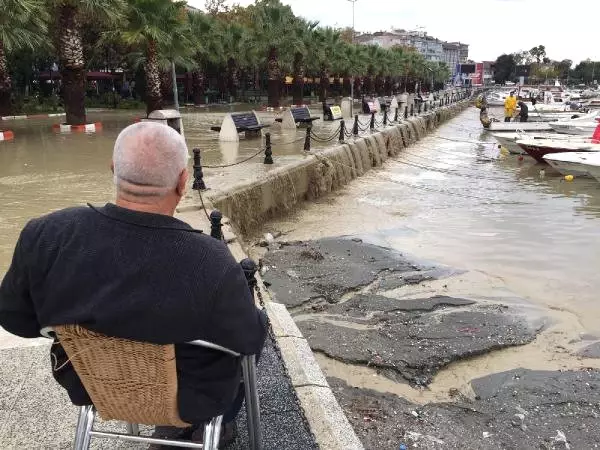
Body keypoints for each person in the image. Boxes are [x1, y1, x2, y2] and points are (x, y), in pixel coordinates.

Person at [0, 121, 267, 446]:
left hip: (88, 386)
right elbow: (248, 341)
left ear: (113, 169)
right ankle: (212, 426)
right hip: (191, 399)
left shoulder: (44, 235)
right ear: (183, 182)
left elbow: (17, 320)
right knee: (252, 337)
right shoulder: (212, 262)